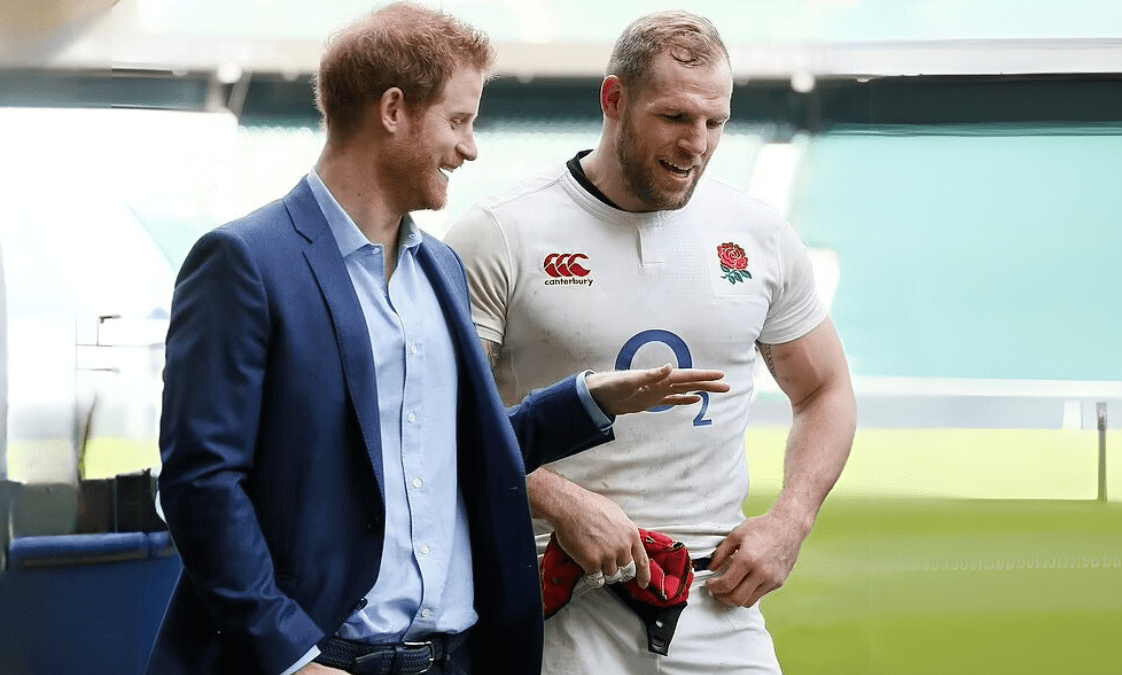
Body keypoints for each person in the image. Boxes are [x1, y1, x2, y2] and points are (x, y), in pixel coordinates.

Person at [144, 4, 728, 675]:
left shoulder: (441, 268)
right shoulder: (244, 262)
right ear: (393, 110)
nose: (471, 147)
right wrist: (291, 656)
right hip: (322, 661)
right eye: (459, 120)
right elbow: (201, 483)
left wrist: (586, 401)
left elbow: (451, 449)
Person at [444, 10, 856, 674]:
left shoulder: (759, 235)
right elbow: (440, 416)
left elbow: (825, 389)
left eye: (714, 122)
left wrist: (791, 520)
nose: (697, 143)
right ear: (615, 99)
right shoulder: (501, 233)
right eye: (674, 118)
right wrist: (555, 497)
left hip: (718, 605)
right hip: (557, 603)